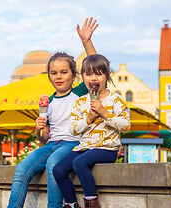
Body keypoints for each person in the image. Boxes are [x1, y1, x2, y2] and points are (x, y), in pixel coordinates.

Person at [7, 18, 98, 208]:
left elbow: (95, 66)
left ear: (74, 75)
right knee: (22, 169)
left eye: (64, 72)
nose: (58, 77)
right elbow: (44, 138)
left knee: (52, 166)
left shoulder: (79, 92)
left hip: (72, 143)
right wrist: (38, 129)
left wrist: (86, 41)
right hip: (51, 145)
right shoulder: (47, 102)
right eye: (54, 73)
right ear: (49, 76)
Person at [53, 54, 130, 208]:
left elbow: (126, 126)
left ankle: (91, 201)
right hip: (84, 147)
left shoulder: (116, 100)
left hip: (107, 148)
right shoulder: (80, 102)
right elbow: (73, 129)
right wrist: (88, 119)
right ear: (83, 78)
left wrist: (105, 113)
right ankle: (71, 203)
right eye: (88, 74)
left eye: (98, 74)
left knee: (79, 162)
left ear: (107, 77)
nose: (93, 78)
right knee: (58, 169)